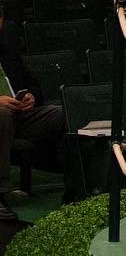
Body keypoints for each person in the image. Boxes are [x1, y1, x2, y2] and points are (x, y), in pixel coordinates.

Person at [0, 14, 65, 220]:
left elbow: (33, 83)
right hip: (3, 116)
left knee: (61, 114)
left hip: (20, 115)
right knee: (2, 114)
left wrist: (31, 97)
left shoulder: (6, 51)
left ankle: (75, 186)